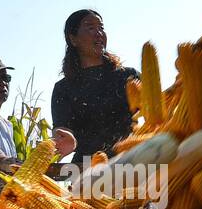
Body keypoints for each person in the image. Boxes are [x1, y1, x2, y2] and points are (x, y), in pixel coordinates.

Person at [51, 9, 138, 161]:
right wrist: (65, 138)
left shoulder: (128, 76)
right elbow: (62, 127)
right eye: (90, 27)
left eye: (101, 28)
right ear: (73, 39)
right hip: (85, 168)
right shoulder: (63, 88)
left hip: (132, 162)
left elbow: (155, 110)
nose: (99, 33)